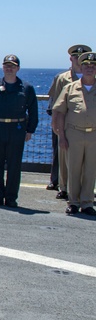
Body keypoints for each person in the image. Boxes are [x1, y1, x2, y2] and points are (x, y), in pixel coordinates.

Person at [0, 54, 38, 207]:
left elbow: (33, 110)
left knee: (14, 165)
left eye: (12, 65)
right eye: (6, 65)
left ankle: (11, 198)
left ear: (18, 68)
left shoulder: (27, 88)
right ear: (2, 67)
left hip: (17, 129)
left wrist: (30, 130)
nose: (9, 68)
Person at [51, 51, 96, 216]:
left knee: (91, 171)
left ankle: (88, 203)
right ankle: (73, 202)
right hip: (74, 134)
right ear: (81, 67)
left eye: (93, 66)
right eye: (86, 66)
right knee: (73, 170)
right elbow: (59, 112)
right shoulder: (70, 88)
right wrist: (61, 135)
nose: (89, 69)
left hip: (94, 135)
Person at [47, 44, 90, 198]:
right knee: (63, 157)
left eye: (82, 57)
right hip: (66, 124)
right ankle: (63, 187)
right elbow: (55, 104)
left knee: (88, 161)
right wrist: (55, 125)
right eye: (76, 56)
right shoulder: (62, 78)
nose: (78, 59)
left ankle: (85, 190)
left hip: (89, 126)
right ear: (71, 58)